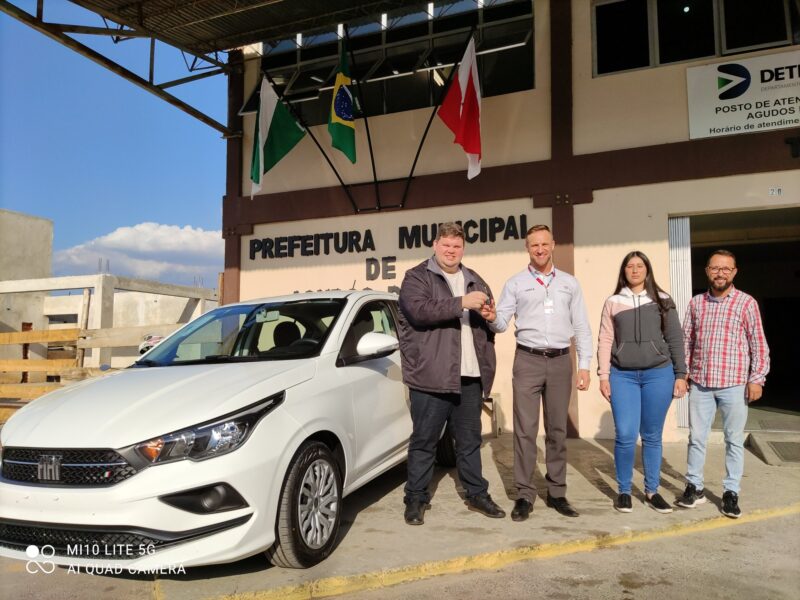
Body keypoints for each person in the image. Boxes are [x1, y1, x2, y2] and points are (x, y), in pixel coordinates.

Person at [397, 221, 505, 525]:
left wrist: (490, 316)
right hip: (432, 377)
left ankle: (476, 494)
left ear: (463, 248)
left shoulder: (475, 279)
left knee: (470, 441)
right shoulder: (417, 276)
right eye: (445, 245)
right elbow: (419, 311)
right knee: (424, 441)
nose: (450, 251)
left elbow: (487, 326)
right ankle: (415, 498)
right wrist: (461, 303)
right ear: (435, 245)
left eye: (456, 246)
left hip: (470, 377)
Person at [481, 224, 591, 520]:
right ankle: (525, 495)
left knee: (557, 430)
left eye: (544, 244)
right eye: (534, 245)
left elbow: (581, 326)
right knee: (525, 431)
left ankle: (557, 493)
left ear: (553, 244)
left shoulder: (570, 283)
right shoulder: (516, 283)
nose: (540, 249)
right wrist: (492, 317)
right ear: (527, 249)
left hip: (559, 361)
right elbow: (502, 321)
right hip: (527, 361)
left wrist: (584, 365)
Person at [677, 249, 769, 518]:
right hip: (702, 384)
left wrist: (757, 379)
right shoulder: (696, 303)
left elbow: (758, 345)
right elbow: (687, 343)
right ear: (707, 271)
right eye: (715, 268)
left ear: (734, 272)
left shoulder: (746, 303)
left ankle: (731, 492)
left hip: (734, 384)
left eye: (726, 269)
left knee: (733, 440)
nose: (720, 273)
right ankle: (694, 487)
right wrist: (683, 375)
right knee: (696, 439)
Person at [597, 251, 687, 514]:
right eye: (629, 266)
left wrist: (680, 374)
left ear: (647, 270)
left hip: (659, 374)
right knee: (625, 435)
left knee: (651, 435)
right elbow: (605, 339)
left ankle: (652, 490)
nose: (634, 270)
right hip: (622, 375)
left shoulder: (663, 300)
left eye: (640, 266)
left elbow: (675, 339)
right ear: (623, 271)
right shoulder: (613, 301)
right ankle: (624, 491)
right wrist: (604, 375)